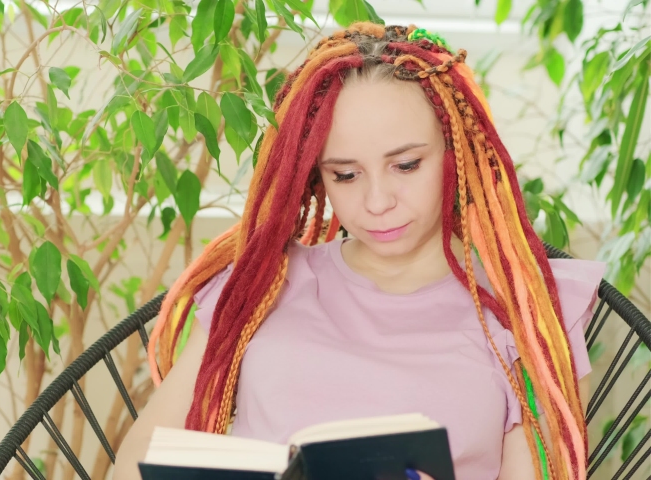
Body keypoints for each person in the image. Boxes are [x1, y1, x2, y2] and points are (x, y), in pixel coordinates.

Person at [114, 22, 605, 480]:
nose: (377, 203)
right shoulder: (259, 285)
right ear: (314, 176)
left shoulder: (527, 315)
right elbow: (136, 463)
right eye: (345, 175)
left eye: (406, 165)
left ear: (456, 151)